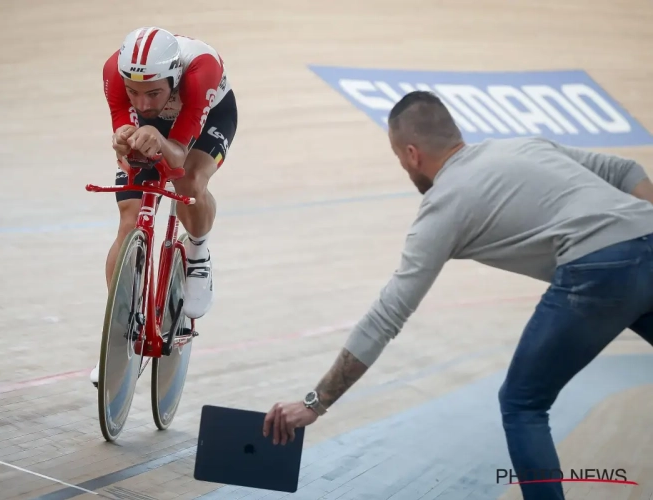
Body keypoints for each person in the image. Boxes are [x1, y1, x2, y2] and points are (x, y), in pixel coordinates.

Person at [263, 90, 653, 500]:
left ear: (412, 154)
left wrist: (316, 401)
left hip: (596, 271)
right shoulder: (523, 145)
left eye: (398, 158)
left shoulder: (444, 205)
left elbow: (386, 316)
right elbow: (626, 170)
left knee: (522, 404)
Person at [90, 27, 237, 386]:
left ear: (172, 78)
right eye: (133, 93)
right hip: (155, 126)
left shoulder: (201, 71)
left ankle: (198, 252)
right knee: (129, 218)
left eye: (152, 92)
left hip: (207, 120)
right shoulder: (114, 70)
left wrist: (160, 139)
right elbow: (126, 127)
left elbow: (178, 158)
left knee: (188, 180)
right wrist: (124, 142)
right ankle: (119, 329)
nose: (141, 103)